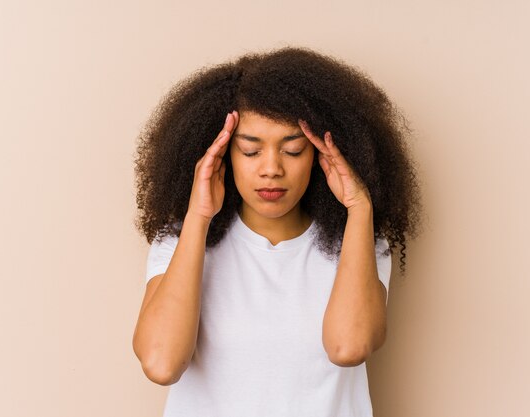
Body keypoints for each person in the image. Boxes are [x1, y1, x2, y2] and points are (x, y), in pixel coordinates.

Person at [132, 46, 423, 417]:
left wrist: (359, 207)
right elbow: (161, 363)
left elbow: (349, 346)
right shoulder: (179, 239)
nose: (271, 168)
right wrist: (198, 216)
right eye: (251, 151)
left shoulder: (360, 240)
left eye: (293, 150)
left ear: (322, 156)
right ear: (222, 156)